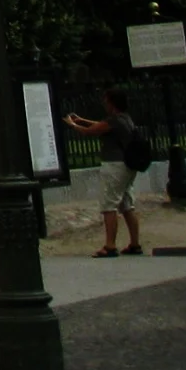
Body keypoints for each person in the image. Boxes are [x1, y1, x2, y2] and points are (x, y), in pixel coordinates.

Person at [66, 87, 144, 255]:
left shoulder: (114, 120)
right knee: (126, 204)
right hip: (127, 166)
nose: (104, 104)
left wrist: (73, 124)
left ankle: (110, 245)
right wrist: (81, 119)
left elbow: (90, 132)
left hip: (115, 166)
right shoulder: (125, 119)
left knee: (109, 205)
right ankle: (135, 243)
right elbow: (99, 126)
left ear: (112, 103)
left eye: (106, 101)